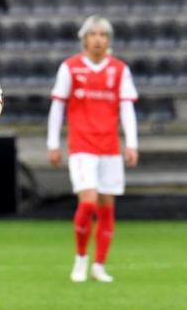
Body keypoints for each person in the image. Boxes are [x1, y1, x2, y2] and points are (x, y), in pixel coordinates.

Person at [47, 14, 139, 284]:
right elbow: (58, 106)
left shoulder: (119, 69)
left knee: (107, 207)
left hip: (109, 147)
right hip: (82, 146)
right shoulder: (70, 68)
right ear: (84, 39)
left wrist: (131, 143)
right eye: (93, 34)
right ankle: (80, 259)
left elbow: (126, 108)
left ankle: (99, 264)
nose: (98, 40)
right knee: (87, 202)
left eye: (103, 35)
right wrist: (53, 143)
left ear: (108, 40)